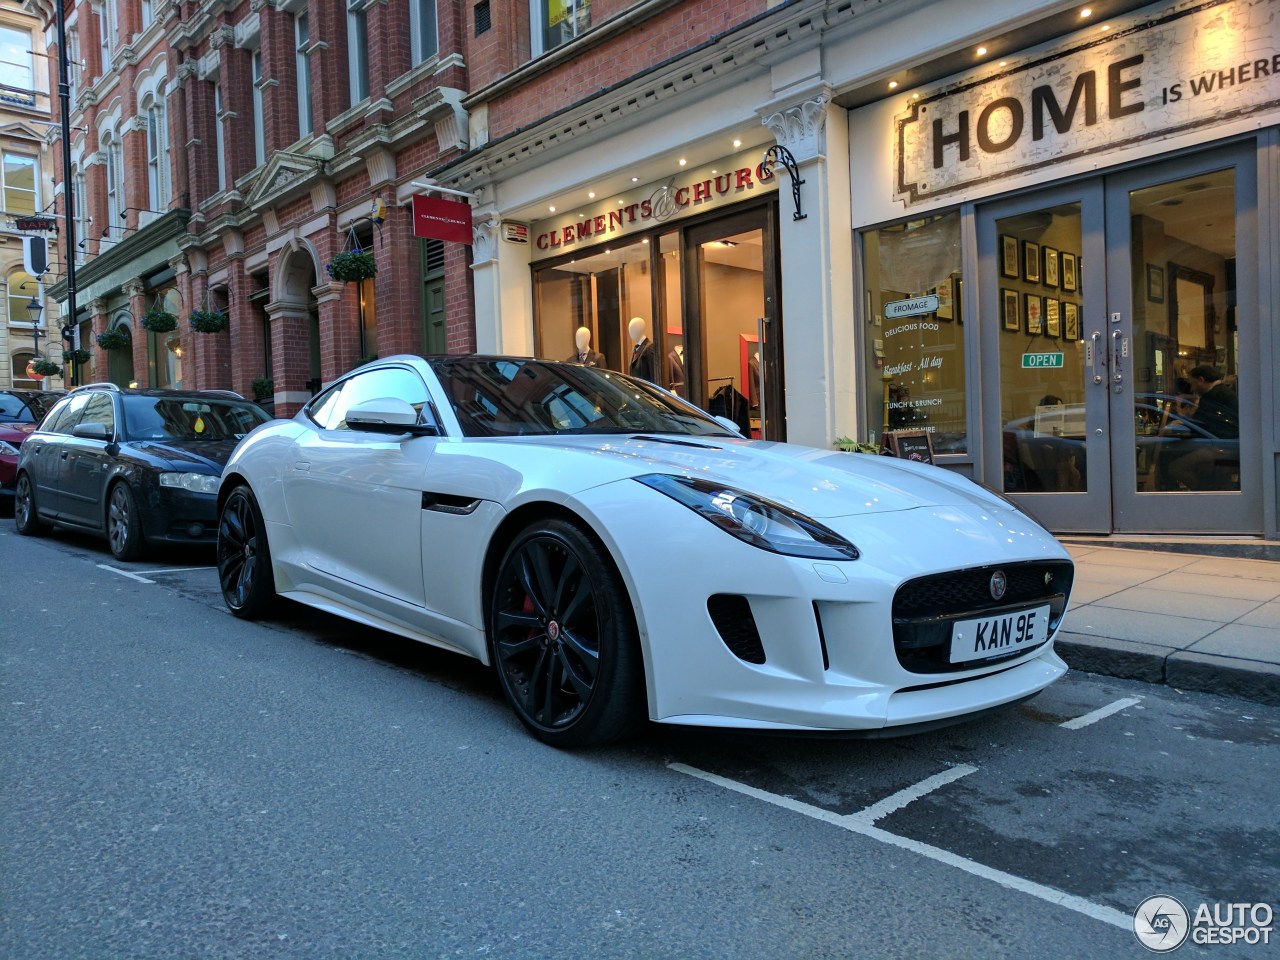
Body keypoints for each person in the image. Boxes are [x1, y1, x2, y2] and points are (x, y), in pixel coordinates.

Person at [1166, 364, 1239, 490]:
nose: (1192, 388)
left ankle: (1202, 493)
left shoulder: (1213, 396)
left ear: (1201, 380)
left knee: (1176, 467)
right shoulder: (1221, 392)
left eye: (1193, 383)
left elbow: (1202, 423)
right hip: (1227, 443)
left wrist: (1182, 422)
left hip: (1222, 447)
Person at [628, 316, 656, 382]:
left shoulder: (649, 347)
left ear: (641, 328)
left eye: (633, 328)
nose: (630, 332)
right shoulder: (634, 349)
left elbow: (653, 375)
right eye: (629, 329)